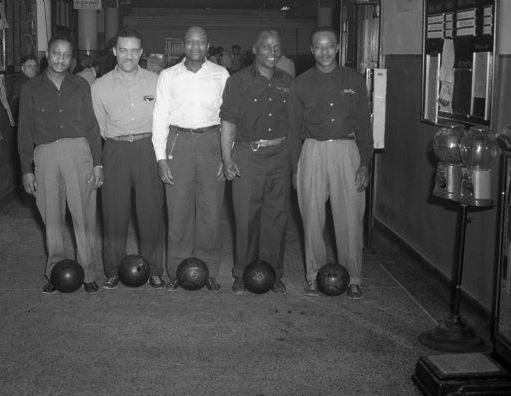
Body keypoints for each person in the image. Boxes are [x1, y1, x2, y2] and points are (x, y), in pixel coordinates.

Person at [288, 27, 373, 300]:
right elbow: (292, 131)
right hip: (312, 151)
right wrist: (295, 168)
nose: (324, 51)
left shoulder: (355, 80)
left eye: (329, 46)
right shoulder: (299, 84)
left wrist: (365, 163)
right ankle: (314, 275)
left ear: (338, 48)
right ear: (312, 50)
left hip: (347, 152)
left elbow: (364, 125)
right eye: (318, 47)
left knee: (350, 218)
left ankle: (354, 277)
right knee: (311, 218)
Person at [18, 35, 103, 294]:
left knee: (84, 214)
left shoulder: (80, 85)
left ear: (71, 59)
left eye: (66, 55)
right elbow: (24, 131)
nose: (61, 59)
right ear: (48, 54)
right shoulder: (31, 88)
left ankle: (88, 272)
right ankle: (56, 271)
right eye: (56, 53)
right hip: (45, 155)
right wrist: (26, 169)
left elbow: (91, 125)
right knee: (51, 216)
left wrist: (98, 164)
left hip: (79, 152)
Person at [152, 26, 229, 291]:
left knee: (211, 212)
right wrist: (161, 158)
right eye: (190, 42)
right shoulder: (167, 76)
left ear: (208, 46)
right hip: (179, 144)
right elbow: (160, 117)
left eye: (201, 42)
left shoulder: (221, 75)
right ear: (182, 46)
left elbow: (229, 118)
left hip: (212, 143)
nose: (195, 46)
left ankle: (208, 270)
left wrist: (226, 156)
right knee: (178, 211)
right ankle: (177, 270)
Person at [91, 27, 166, 290]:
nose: (128, 56)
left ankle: (155, 269)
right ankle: (113, 269)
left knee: (151, 213)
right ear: (114, 51)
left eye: (134, 51)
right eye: (123, 50)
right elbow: (97, 128)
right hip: (116, 151)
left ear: (141, 52)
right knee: (114, 213)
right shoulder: (99, 86)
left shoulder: (157, 81)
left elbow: (165, 120)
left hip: (148, 150)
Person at [220, 30, 292, 295]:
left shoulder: (287, 80)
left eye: (276, 47)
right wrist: (227, 158)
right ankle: (241, 272)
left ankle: (273, 272)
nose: (272, 52)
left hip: (280, 155)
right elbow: (228, 121)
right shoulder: (238, 81)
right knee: (246, 217)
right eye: (266, 47)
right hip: (248, 154)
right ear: (255, 50)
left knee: (277, 218)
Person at [9, 54, 38, 120]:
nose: (33, 68)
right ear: (22, 68)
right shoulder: (21, 83)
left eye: (35, 66)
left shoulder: (33, 80)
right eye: (29, 66)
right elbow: (16, 105)